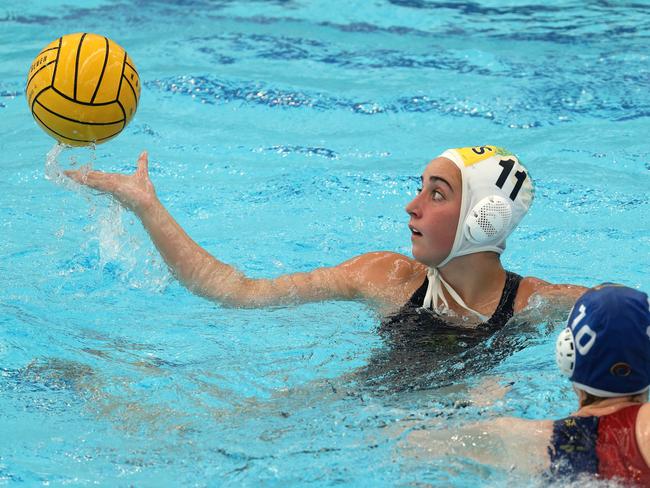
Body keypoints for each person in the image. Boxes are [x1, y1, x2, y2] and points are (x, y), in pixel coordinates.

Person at [65, 144, 584, 328]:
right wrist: (147, 208)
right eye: (419, 188)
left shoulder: (532, 304)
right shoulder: (385, 276)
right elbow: (237, 291)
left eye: (438, 193)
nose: (413, 205)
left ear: (485, 218)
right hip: (360, 422)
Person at [405, 285, 650, 484]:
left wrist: (485, 408)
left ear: (567, 353)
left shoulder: (523, 438)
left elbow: (414, 444)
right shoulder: (644, 427)